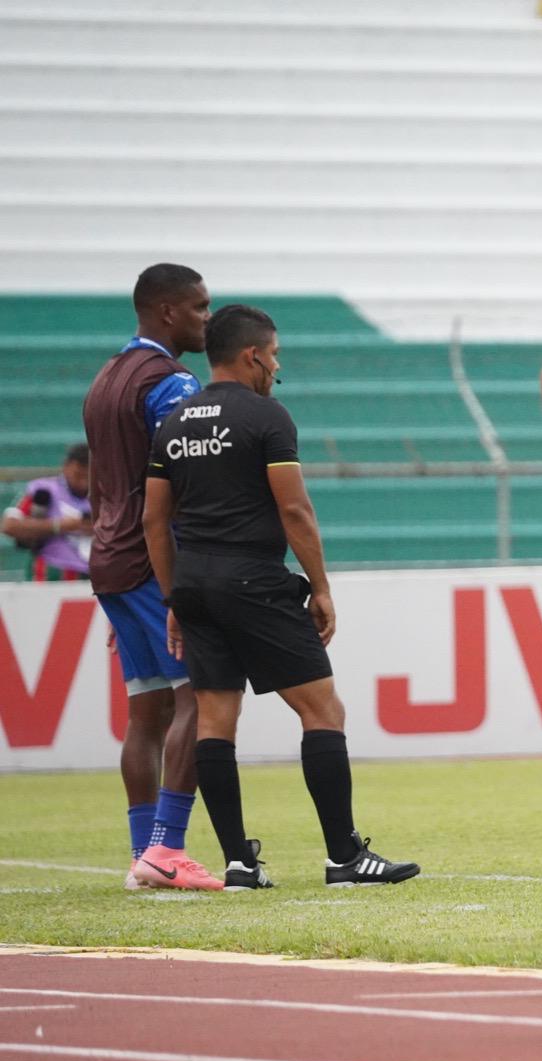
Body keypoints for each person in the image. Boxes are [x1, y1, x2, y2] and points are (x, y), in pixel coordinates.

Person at [144, 304, 419, 894]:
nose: (277, 366)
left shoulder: (173, 422)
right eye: (276, 355)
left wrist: (173, 598)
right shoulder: (267, 416)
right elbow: (294, 509)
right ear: (253, 355)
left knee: (215, 720)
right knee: (323, 711)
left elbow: (152, 522)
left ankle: (240, 864)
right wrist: (320, 587)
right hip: (254, 581)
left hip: (193, 582)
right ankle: (344, 856)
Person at [81, 263, 211, 891]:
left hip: (111, 558)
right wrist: (180, 580)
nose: (206, 319)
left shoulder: (105, 378)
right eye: (200, 308)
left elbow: (105, 482)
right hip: (153, 559)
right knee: (199, 696)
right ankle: (166, 849)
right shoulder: (170, 383)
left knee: (146, 709)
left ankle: (143, 853)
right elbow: (183, 476)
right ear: (167, 312)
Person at [3, 444, 92, 582]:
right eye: (78, 475)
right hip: (50, 572)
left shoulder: (106, 496)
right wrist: (60, 526)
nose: (83, 483)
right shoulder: (44, 490)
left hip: (94, 574)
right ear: (66, 467)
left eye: (88, 477)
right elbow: (10, 526)